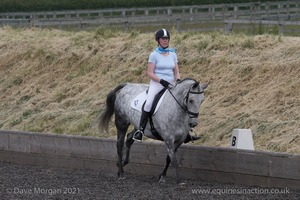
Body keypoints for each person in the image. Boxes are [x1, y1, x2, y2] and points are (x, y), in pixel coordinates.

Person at [133, 28, 200, 143]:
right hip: (157, 83)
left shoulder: (173, 54)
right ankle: (140, 130)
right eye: (163, 39)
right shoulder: (153, 55)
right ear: (158, 40)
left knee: (182, 103)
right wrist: (161, 81)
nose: (165, 41)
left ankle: (186, 132)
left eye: (167, 39)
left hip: (172, 83)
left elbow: (176, 70)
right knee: (148, 103)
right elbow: (149, 72)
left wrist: (178, 79)